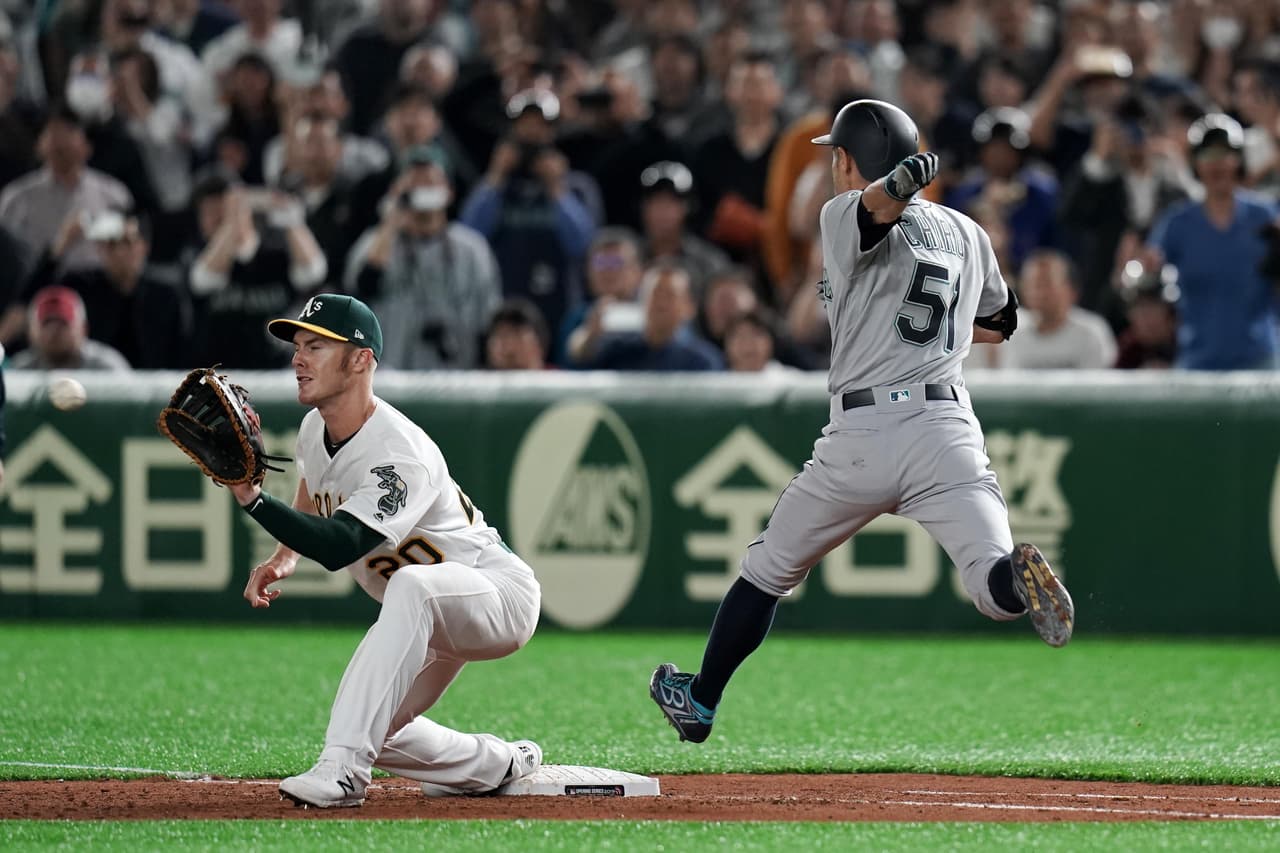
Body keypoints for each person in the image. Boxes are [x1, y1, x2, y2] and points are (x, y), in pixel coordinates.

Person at [649, 99, 1075, 744]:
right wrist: (941, 329)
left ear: (850, 160)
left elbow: (877, 211)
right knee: (989, 584)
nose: (831, 167)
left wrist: (898, 187)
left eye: (835, 156)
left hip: (862, 435)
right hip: (945, 429)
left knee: (768, 571)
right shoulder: (966, 231)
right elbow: (1001, 322)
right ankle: (1016, 581)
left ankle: (701, 700)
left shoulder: (841, 211)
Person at [230, 293, 542, 807]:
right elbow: (313, 488)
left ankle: (343, 773)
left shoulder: (400, 453)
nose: (297, 358)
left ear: (360, 360)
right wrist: (284, 557)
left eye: (315, 346)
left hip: (497, 596)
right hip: (427, 610)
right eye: (297, 345)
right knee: (376, 722)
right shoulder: (316, 428)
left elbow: (342, 545)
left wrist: (252, 499)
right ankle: (497, 764)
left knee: (411, 586)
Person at [1148, 114, 1279, 370]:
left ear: (1238, 160)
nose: (1217, 165)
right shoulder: (1177, 223)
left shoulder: (1265, 217)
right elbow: (1146, 276)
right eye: (1207, 156)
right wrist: (1143, 268)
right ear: (1195, 163)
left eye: (1225, 154)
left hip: (1259, 357)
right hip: (1199, 359)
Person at [346, 154, 501, 369]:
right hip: (390, 377)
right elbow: (361, 291)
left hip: (459, 375)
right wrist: (390, 222)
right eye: (414, 183)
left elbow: (489, 318)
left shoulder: (472, 249)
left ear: (449, 192)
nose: (423, 189)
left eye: (431, 182)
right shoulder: (375, 243)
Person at [587, 261, 723, 371]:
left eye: (670, 295)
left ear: (689, 308)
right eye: (654, 294)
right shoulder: (617, 351)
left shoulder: (703, 361)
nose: (661, 303)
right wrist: (590, 335)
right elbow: (579, 365)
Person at [999, 250, 1117, 370]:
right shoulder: (1013, 335)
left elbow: (1100, 383)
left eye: (1046, 283)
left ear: (1070, 289)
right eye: (1033, 284)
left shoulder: (1092, 333)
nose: (1039, 292)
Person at [10, 286, 132, 370]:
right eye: (46, 323)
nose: (54, 331)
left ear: (84, 329)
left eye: (63, 323)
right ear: (31, 332)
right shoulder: (19, 371)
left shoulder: (106, 368)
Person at [486, 298, 551, 370]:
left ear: (539, 345)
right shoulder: (476, 379)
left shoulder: (559, 379)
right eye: (502, 337)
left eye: (517, 335)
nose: (509, 349)